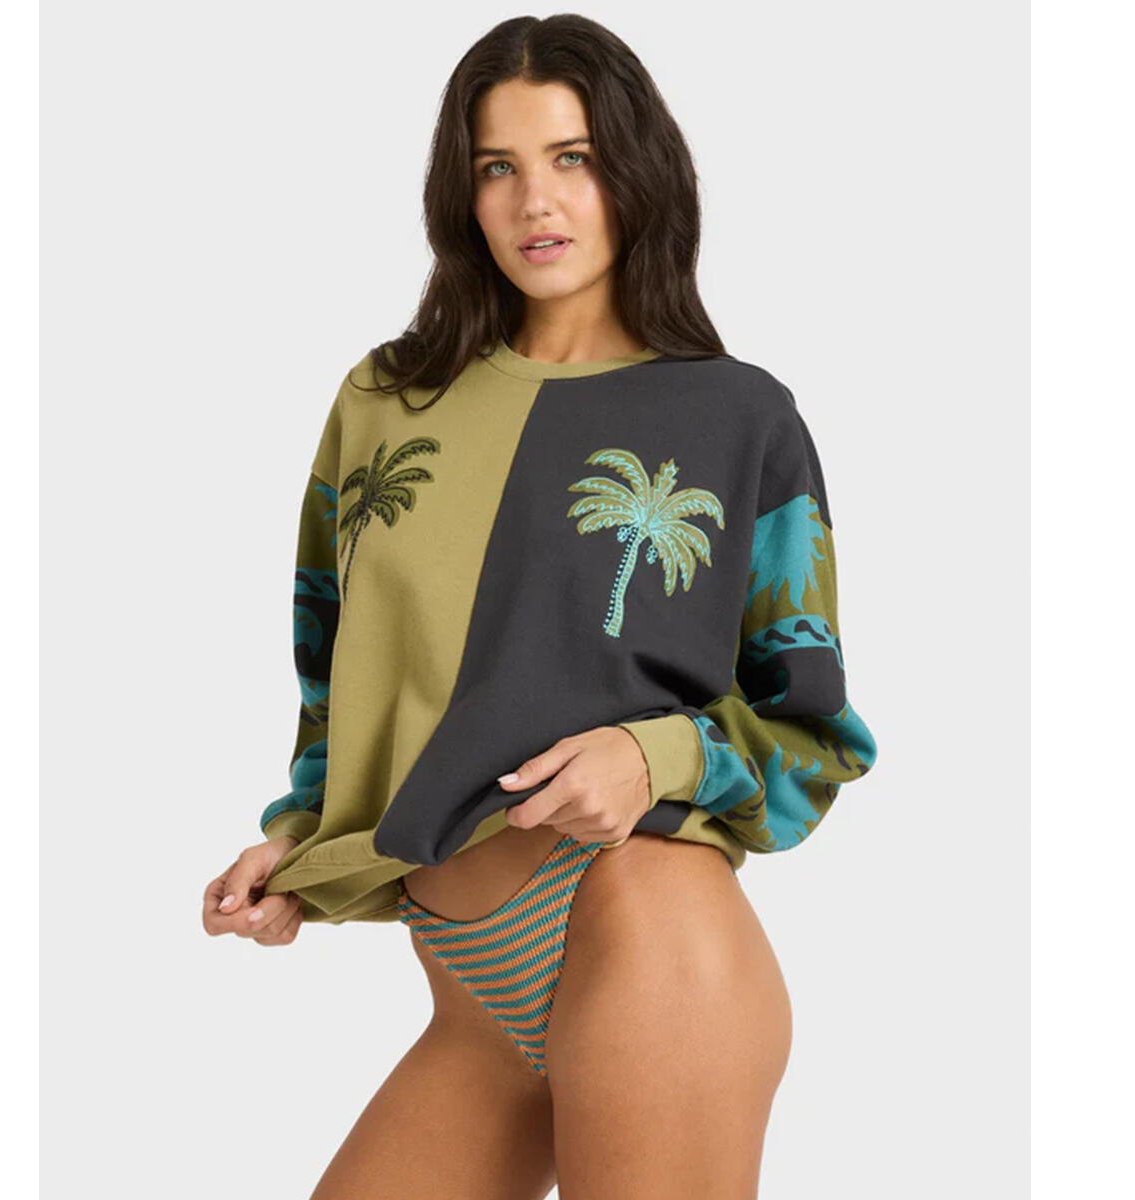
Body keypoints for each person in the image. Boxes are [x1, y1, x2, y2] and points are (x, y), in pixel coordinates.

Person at [201, 13, 877, 1199]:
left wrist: (651, 756)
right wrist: (300, 839)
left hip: (651, 939)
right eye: (496, 168)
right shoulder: (386, 399)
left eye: (573, 158)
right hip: (470, 999)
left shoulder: (740, 419)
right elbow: (334, 663)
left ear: (637, 173)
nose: (535, 202)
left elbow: (814, 735)